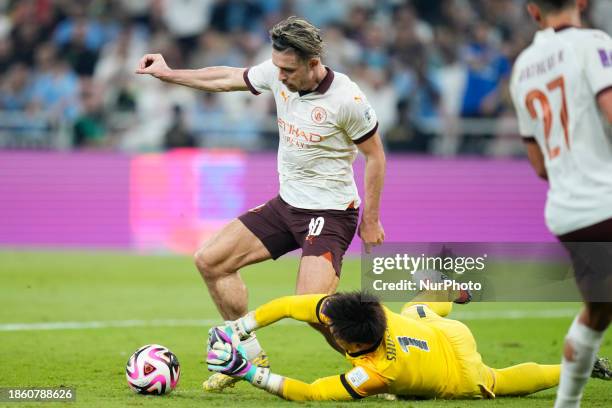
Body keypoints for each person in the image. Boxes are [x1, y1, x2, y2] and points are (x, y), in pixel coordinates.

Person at [135, 16, 386, 390]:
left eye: (288, 69)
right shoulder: (277, 72)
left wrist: (371, 219)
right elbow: (226, 78)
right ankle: (250, 356)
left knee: (313, 309)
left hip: (330, 214)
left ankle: (383, 366)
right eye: (277, 67)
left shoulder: (347, 99)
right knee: (211, 260)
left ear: (313, 62)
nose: (279, 76)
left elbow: (376, 157)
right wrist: (169, 75)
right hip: (287, 206)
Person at [205, 291, 611, 401]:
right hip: (439, 332)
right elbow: (293, 306)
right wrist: (241, 328)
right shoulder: (366, 310)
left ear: (355, 342)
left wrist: (249, 373)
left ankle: (577, 368)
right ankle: (455, 292)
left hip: (459, 371)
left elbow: (311, 392)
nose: (329, 331)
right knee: (416, 306)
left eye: (335, 335)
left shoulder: (378, 372)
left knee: (498, 381)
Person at [509, 1, 612, 407]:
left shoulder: (523, 67)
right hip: (607, 198)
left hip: (568, 211)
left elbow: (538, 165)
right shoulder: (593, 44)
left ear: (533, 11)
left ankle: (566, 404)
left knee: (598, 311)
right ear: (582, 2)